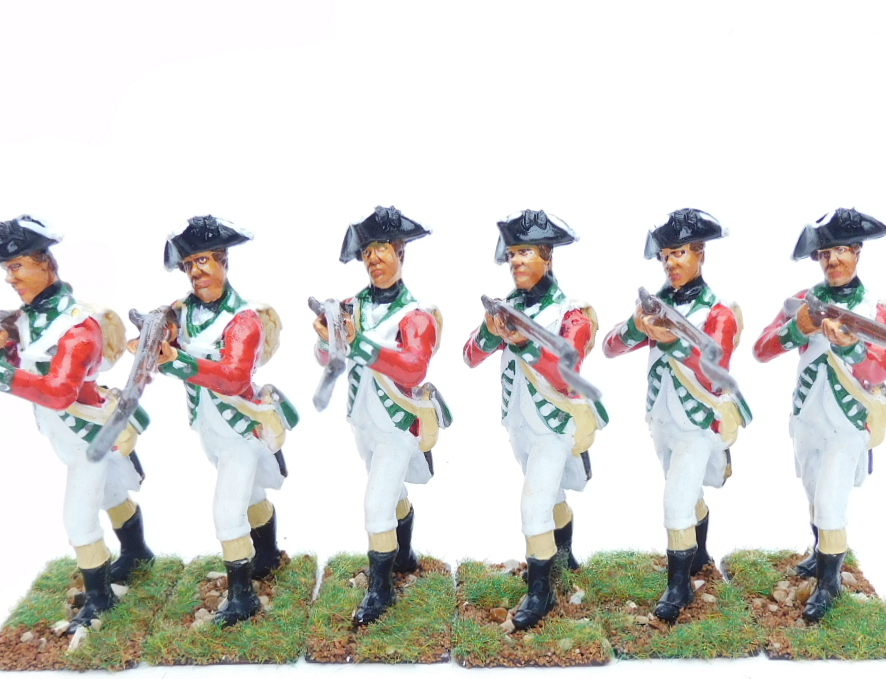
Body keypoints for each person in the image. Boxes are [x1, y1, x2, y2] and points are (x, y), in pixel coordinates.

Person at [0, 216, 154, 633]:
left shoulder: (78, 329)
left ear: (44, 264)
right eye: (6, 269)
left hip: (90, 437)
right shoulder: (27, 319)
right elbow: (26, 362)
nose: (10, 278)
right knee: (113, 495)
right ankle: (137, 554)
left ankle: (100, 599)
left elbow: (59, 391)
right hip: (66, 435)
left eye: (16, 266)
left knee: (78, 521)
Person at [602, 208, 750, 622]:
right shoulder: (657, 307)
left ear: (700, 253)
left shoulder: (716, 313)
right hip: (662, 419)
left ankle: (679, 585)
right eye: (665, 255)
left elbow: (714, 370)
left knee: (676, 501)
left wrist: (674, 340)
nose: (671, 263)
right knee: (684, 490)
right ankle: (698, 555)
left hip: (698, 422)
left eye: (680, 253)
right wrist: (638, 326)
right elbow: (610, 346)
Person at [463, 209, 607, 631]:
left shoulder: (571, 313)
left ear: (547, 255)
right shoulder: (507, 308)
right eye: (512, 254)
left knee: (533, 505)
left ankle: (540, 592)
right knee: (550, 495)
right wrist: (491, 331)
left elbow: (567, 369)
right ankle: (561, 559)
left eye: (525, 252)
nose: (516, 261)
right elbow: (469, 356)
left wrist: (524, 343)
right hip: (519, 423)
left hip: (554, 425)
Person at [752, 207, 886, 622]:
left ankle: (830, 584)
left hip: (847, 421)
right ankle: (822, 553)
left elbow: (880, 370)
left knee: (832, 502)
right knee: (815, 494)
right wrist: (797, 327)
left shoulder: (874, 308)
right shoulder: (802, 302)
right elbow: (762, 350)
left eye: (841, 251)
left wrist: (851, 346)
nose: (833, 260)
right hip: (807, 420)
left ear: (856, 253)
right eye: (825, 254)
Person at [153, 215, 298, 626]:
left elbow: (233, 377)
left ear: (223, 262)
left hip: (240, 428)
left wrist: (177, 361)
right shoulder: (183, 313)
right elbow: (171, 352)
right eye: (189, 264)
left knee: (227, 512)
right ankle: (266, 555)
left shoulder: (243, 320)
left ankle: (242, 597)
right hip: (208, 426)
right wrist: (155, 348)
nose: (195, 271)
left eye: (203, 261)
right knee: (251, 494)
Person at [313, 206, 449, 625]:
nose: (373, 258)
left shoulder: (416, 314)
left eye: (382, 249)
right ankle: (403, 555)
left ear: (399, 251)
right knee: (389, 491)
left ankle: (381, 589)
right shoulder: (350, 306)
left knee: (375, 504)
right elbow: (327, 358)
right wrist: (328, 338)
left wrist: (359, 343)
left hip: (397, 423)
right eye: (367, 251)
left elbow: (413, 368)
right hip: (362, 420)